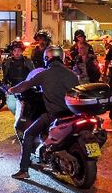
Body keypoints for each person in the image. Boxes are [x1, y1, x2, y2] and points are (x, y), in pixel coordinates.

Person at [7, 45, 80, 179]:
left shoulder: (44, 74)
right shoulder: (72, 75)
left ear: (47, 58)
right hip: (72, 115)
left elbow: (25, 85)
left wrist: (11, 90)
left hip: (54, 116)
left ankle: (24, 170)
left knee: (28, 134)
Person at [2, 40, 35, 118]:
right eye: (15, 50)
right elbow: (3, 75)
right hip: (12, 88)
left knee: (26, 110)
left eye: (19, 50)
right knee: (11, 106)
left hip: (25, 89)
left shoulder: (28, 61)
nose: (17, 52)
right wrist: (6, 86)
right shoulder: (7, 62)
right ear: (12, 51)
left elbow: (33, 74)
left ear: (22, 51)